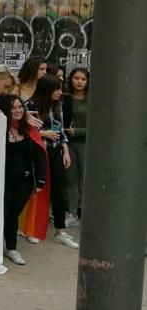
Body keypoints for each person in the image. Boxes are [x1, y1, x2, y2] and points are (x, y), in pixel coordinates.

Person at [26, 74, 78, 249]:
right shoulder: (30, 105)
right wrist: (43, 134)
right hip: (37, 151)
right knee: (37, 188)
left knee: (59, 189)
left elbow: (61, 130)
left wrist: (65, 150)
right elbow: (23, 129)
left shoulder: (58, 106)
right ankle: (31, 228)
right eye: (57, 89)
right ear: (47, 89)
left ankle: (60, 231)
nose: (60, 92)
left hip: (55, 150)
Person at [2, 95, 46, 266]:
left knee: (13, 214)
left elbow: (38, 156)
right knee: (3, 214)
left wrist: (41, 180)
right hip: (1, 182)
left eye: (20, 107)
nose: (18, 110)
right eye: (13, 107)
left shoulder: (29, 130)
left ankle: (11, 248)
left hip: (24, 182)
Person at [62, 67, 89, 224]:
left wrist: (77, 131)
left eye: (83, 79)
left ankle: (85, 212)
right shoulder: (66, 98)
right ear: (71, 79)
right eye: (76, 78)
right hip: (69, 143)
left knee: (85, 179)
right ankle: (72, 213)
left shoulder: (93, 99)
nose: (79, 82)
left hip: (87, 143)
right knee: (71, 178)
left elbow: (100, 125)